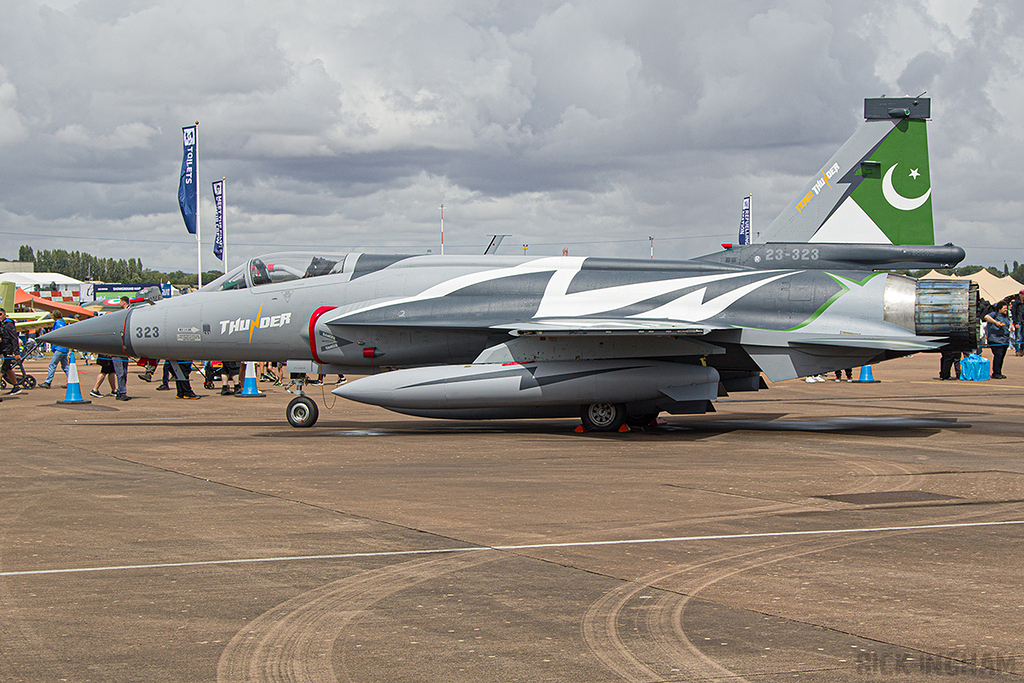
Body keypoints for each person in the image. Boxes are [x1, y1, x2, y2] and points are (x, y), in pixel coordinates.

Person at [41, 311, 69, 389]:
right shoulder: (62, 322)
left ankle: (48, 382)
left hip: (60, 348)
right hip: (63, 347)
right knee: (65, 366)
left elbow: (60, 333)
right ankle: (71, 381)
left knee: (52, 364)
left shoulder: (58, 323)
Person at [984, 301, 1012, 379]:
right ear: (999, 309)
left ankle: (999, 372)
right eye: (1004, 309)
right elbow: (986, 317)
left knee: (1001, 357)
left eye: (1007, 309)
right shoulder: (994, 314)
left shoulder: (1006, 316)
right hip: (995, 340)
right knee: (998, 356)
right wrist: (996, 322)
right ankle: (995, 372)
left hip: (1004, 340)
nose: (1006, 310)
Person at [110, 297, 132, 401]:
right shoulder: (123, 314)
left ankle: (121, 391)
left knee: (123, 372)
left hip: (123, 351)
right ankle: (121, 392)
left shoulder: (126, 313)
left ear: (123, 302)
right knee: (121, 373)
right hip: (117, 351)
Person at [0, 307, 22, 395]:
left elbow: (14, 339)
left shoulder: (8, 324)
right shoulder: (1, 324)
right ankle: (16, 386)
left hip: (7, 351)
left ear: (4, 315)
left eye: (0, 314)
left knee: (2, 370)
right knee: (8, 369)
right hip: (2, 350)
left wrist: (16, 353)